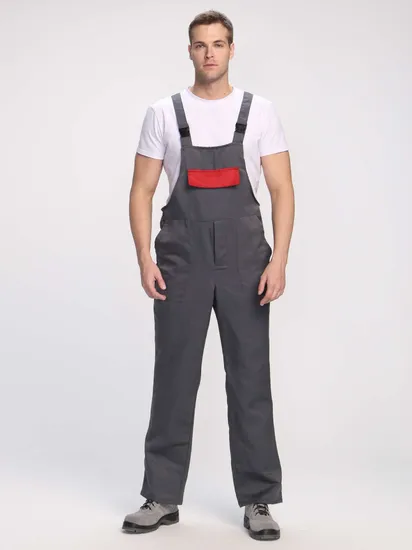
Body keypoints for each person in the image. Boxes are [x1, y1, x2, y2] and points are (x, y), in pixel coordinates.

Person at [123, 9, 294, 542]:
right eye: (200, 45)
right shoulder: (162, 113)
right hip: (182, 262)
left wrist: (279, 261)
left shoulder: (259, 112)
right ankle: (161, 496)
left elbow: (282, 189)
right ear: (190, 51)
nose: (210, 53)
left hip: (246, 263)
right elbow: (141, 191)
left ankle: (259, 499)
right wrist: (144, 259)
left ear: (232, 49)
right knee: (174, 377)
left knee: (250, 380)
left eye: (218, 44)